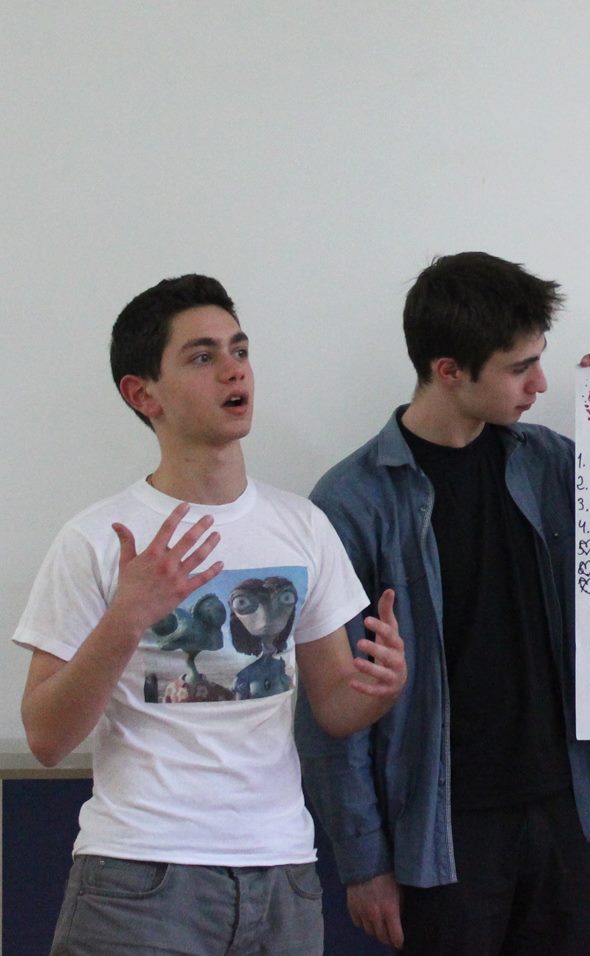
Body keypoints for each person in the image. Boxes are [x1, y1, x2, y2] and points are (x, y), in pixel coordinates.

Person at [14, 274, 408, 955]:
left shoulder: (302, 526)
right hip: (139, 876)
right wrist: (127, 618)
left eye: (240, 350)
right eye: (202, 356)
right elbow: (47, 738)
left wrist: (381, 689)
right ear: (143, 394)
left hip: (283, 873)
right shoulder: (97, 538)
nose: (234, 369)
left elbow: (336, 707)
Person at [297, 251, 590, 955]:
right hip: (442, 831)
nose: (541, 384)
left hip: (561, 807)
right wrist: (363, 863)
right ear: (449, 370)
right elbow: (330, 706)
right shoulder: (354, 501)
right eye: (521, 368)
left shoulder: (551, 464)